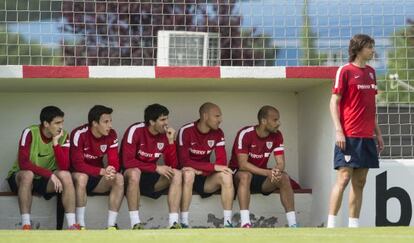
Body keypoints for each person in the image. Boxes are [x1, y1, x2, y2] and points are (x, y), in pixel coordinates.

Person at [327, 34, 383, 228]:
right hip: (348, 136)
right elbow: (334, 102)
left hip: (367, 137)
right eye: (369, 47)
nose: (372, 50)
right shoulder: (345, 71)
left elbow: (370, 106)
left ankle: (353, 227)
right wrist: (338, 131)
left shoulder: (371, 72)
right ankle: (331, 225)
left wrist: (378, 133)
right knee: (343, 179)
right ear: (358, 49)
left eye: (372, 47)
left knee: (360, 182)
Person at [7, 106, 79, 230]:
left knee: (66, 175)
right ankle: (26, 224)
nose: (61, 126)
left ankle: (72, 225)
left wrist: (56, 143)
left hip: (43, 179)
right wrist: (50, 174)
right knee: (27, 174)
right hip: (21, 177)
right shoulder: (29, 132)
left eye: (62, 122)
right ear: (46, 123)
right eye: (57, 123)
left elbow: (64, 166)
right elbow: (24, 163)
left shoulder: (64, 135)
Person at [229, 105, 297, 228]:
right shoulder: (245, 133)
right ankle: (245, 223)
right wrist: (267, 173)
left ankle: (293, 224)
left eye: (278, 120)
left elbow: (281, 163)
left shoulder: (277, 135)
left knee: (284, 177)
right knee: (246, 175)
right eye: (275, 120)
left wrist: (276, 171)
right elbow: (242, 164)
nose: (279, 123)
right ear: (263, 121)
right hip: (239, 176)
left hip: (260, 177)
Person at [122, 104, 182, 229]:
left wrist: (171, 141)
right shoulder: (136, 130)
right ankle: (135, 223)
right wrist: (156, 168)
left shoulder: (165, 134)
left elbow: (172, 166)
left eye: (167, 119)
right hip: (131, 179)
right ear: (151, 121)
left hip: (151, 179)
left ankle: (173, 223)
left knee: (177, 173)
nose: (166, 123)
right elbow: (127, 162)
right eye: (162, 120)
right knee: (135, 173)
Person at [178, 102, 234, 228]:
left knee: (226, 175)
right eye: (217, 116)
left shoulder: (218, 133)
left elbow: (221, 163)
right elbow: (184, 162)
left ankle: (228, 222)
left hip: (205, 177)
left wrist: (203, 171)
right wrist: (212, 167)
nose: (220, 120)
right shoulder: (186, 131)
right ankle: (184, 222)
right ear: (205, 116)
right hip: (186, 178)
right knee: (188, 173)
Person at [70, 105, 124, 230]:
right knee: (82, 177)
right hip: (77, 179)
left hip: (97, 178)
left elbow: (114, 160)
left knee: (119, 178)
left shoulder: (111, 134)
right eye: (106, 122)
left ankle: (111, 225)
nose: (110, 125)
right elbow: (78, 164)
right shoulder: (79, 133)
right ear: (94, 123)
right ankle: (80, 225)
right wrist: (102, 171)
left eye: (110, 121)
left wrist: (111, 170)